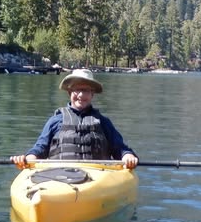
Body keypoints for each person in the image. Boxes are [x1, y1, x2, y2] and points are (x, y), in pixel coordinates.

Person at [11, 68, 139, 169]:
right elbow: (40, 148)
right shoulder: (55, 121)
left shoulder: (103, 122)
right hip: (58, 176)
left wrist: (128, 156)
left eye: (86, 91)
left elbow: (120, 149)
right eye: (77, 90)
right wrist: (27, 159)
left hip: (98, 178)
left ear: (92, 94)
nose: (81, 95)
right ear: (69, 93)